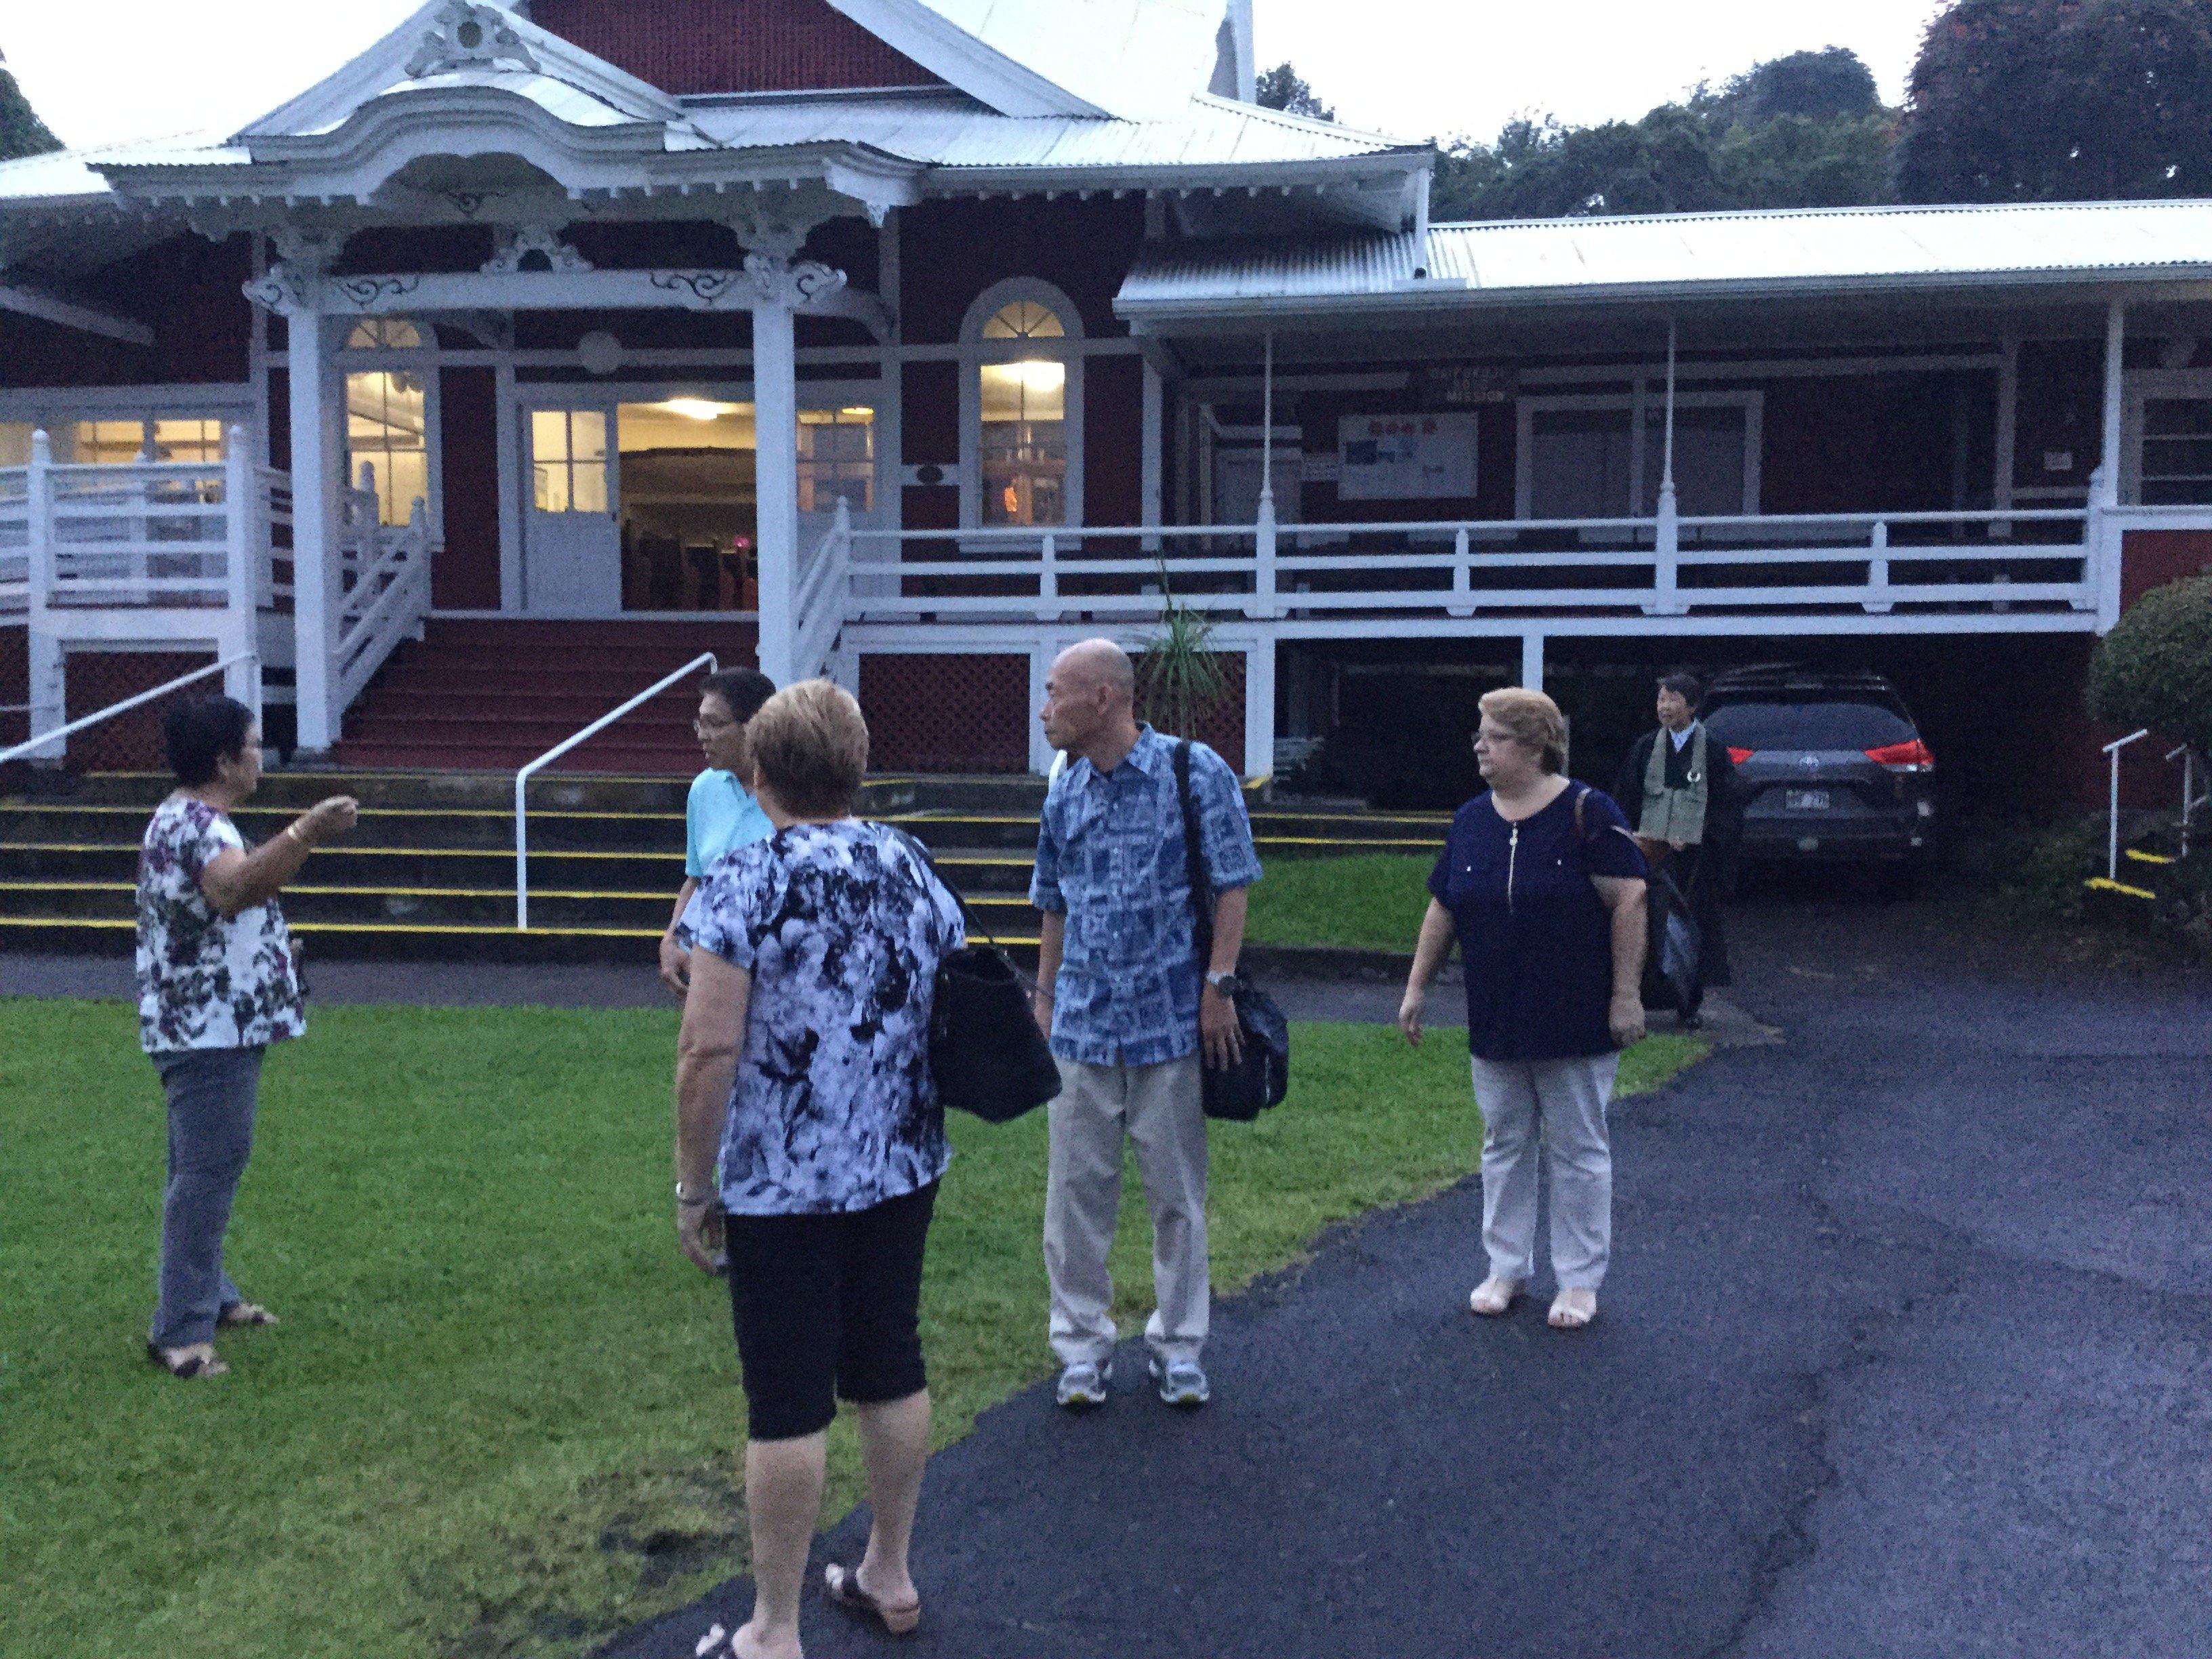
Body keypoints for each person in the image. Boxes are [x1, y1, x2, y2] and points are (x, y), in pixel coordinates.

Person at [671, 680, 964, 1658]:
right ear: (859, 765)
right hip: (899, 1160)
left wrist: (692, 1182)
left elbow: (707, 1050)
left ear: (759, 773)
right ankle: (890, 1566)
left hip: (784, 1177)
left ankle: (775, 1627)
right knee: (890, 1362)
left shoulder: (745, 882)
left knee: (788, 1397)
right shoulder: (911, 864)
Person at [1029, 638, 1263, 1410]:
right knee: (1074, 1198)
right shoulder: (1064, 788)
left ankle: (1178, 1344)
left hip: (1170, 1019)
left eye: (1056, 693)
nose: (1044, 709)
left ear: (1102, 698)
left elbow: (1232, 885)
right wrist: (1045, 995)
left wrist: (1218, 984)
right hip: (1084, 1024)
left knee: (1176, 1196)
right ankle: (1082, 1348)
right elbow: (1053, 900)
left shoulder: (1195, 773)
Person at [1397, 687, 1647, 1332]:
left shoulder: (1589, 812)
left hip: (1574, 1013)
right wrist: (1417, 986)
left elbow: (1629, 900)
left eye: (1496, 736)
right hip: (1497, 1013)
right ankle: (1506, 1266)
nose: (1481, 746)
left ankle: (1580, 1279)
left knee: (1577, 1148)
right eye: (1481, 734)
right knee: (1503, 1143)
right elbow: (1444, 904)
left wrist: (1626, 994)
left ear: (1536, 746)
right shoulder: (1471, 819)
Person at [136, 697, 358, 1378]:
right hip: (207, 1031)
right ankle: (180, 1332)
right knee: (207, 1173)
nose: (263, 754)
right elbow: (233, 891)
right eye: (255, 745)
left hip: (207, 1021)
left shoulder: (192, 820)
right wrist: (305, 834)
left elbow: (213, 915)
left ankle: (212, 1295)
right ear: (225, 761)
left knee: (200, 1168)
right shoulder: (199, 824)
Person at [1612, 671, 1739, 1021]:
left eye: (1673, 700)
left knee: (1692, 926)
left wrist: (1699, 834)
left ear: (1693, 706)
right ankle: (1640, 999)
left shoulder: (1712, 749)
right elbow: (1626, 797)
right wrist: (1633, 839)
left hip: (1695, 862)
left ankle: (1689, 1003)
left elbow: (1726, 804)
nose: (1664, 707)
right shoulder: (1646, 747)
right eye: (1661, 700)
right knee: (1646, 923)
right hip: (1652, 856)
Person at [660, 668, 777, 998]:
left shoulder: (795, 793)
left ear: (753, 727)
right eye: (700, 723)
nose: (702, 735)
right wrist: (671, 940)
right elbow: (696, 878)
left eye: (714, 724)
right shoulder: (704, 789)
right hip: (708, 968)